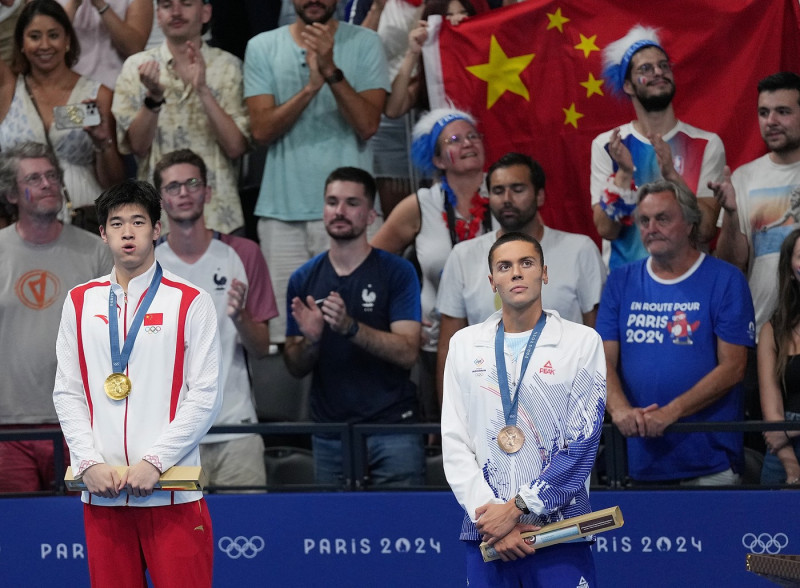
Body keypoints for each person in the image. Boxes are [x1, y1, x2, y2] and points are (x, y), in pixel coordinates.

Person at [53, 178, 221, 586]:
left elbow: (205, 397)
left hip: (172, 493)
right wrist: (88, 462)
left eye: (138, 222)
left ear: (156, 230)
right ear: (103, 233)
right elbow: (67, 391)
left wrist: (155, 461)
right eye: (116, 223)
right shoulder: (79, 301)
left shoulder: (190, 301)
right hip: (103, 494)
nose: (127, 233)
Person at [441, 232, 606, 584]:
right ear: (492, 281)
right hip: (487, 536)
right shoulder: (465, 345)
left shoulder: (580, 342)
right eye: (505, 266)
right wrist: (494, 521)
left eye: (526, 263)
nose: (516, 273)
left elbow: (583, 444)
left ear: (544, 273)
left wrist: (516, 509)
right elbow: (454, 442)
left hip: (560, 529)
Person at [243, 0, 390, 344]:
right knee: (288, 338)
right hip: (282, 218)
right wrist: (311, 87)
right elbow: (262, 130)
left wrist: (330, 69)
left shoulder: (366, 43)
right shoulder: (262, 46)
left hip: (353, 214)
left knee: (358, 332)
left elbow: (368, 124)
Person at [596, 180, 755, 484]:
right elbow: (601, 358)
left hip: (710, 461)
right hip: (639, 458)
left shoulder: (726, 280)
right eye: (644, 220)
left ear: (690, 223)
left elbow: (734, 367)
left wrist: (671, 412)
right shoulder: (620, 281)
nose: (651, 227)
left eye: (663, 218)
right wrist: (619, 409)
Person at [284, 166, 424, 487]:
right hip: (331, 433)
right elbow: (294, 366)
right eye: (332, 202)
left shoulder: (397, 272)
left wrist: (350, 327)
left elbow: (407, 352)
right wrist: (312, 341)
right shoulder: (303, 279)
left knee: (403, 530)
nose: (340, 211)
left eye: (351, 203)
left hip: (393, 428)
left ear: (371, 214)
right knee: (333, 534)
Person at [436, 152, 605, 405]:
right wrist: (448, 418)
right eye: (498, 190)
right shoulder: (463, 256)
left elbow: (598, 338)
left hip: (564, 404)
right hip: (486, 405)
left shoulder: (579, 249)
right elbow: (447, 350)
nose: (506, 199)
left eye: (517, 189)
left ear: (539, 195)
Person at [153, 149, 277, 490]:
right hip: (171, 436)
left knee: (251, 532)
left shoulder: (244, 253)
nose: (183, 192)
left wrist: (241, 318)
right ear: (161, 199)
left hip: (237, 427)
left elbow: (263, 347)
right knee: (179, 542)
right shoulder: (144, 265)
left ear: (207, 192)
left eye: (192, 183)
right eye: (173, 186)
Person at [0, 141, 112, 493]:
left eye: (51, 175)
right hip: (9, 426)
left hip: (82, 425)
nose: (47, 183)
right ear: (12, 195)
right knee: (20, 537)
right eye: (34, 178)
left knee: (79, 536)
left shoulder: (97, 252)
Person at [372, 107, 494, 422]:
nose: (468, 143)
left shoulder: (503, 195)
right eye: (455, 140)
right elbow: (371, 267)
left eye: (472, 136)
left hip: (498, 342)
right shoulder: (420, 204)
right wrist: (400, 315)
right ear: (438, 160)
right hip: (436, 343)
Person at [591, 24, 724, 270]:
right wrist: (624, 174)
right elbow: (606, 229)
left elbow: (705, 230)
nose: (658, 72)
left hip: (690, 285)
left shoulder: (706, 144)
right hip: (628, 285)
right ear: (628, 85)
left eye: (663, 66)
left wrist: (672, 176)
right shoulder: (608, 145)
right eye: (646, 68)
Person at [112, 0, 249, 234]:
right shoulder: (136, 67)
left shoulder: (229, 66)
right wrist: (153, 98)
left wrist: (203, 90)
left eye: (186, 4)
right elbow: (137, 147)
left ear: (205, 12)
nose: (175, 12)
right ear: (158, 15)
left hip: (219, 216)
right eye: (166, 5)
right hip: (158, 220)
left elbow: (236, 147)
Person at [0, 0, 124, 222]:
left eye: (54, 35)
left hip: (85, 219)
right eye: (35, 36)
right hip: (20, 223)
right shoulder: (7, 88)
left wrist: (102, 144)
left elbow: (115, 182)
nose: (45, 45)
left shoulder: (98, 95)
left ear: (68, 40)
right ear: (21, 43)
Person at [713, 72, 800, 337]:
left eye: (782, 111)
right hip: (762, 328)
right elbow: (732, 262)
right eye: (764, 113)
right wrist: (730, 213)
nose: (771, 121)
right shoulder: (743, 177)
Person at [758, 228, 800, 485]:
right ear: (791, 268)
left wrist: (791, 431)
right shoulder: (772, 329)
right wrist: (790, 462)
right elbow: (771, 409)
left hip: (787, 432)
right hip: (782, 443)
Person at [59, 0, 153, 89]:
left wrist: (101, 5)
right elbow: (51, 43)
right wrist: (74, 4)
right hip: (67, 89)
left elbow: (135, 48)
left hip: (119, 89)